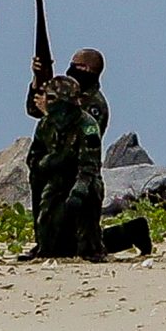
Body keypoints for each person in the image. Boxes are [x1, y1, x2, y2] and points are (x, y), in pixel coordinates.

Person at [25, 48, 152, 258]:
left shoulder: (95, 106)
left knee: (84, 244)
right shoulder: (63, 93)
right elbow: (33, 110)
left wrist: (51, 113)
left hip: (78, 175)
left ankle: (132, 232)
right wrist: (38, 79)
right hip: (54, 173)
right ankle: (44, 245)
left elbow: (80, 145)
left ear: (88, 70)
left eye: (77, 66)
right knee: (58, 240)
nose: (71, 69)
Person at [26, 75, 107, 260]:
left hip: (82, 179)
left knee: (88, 207)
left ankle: (92, 249)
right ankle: (44, 246)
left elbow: (90, 164)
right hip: (57, 178)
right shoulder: (46, 124)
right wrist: (46, 164)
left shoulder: (87, 126)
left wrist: (78, 191)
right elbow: (34, 156)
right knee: (47, 219)